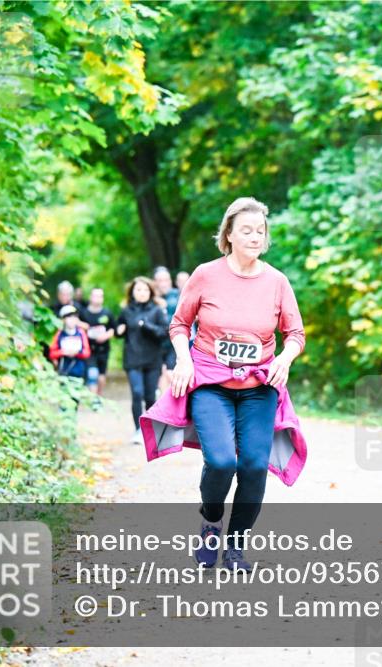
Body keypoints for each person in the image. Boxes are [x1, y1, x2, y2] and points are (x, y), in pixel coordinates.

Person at [166, 196, 305, 572]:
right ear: (228, 234)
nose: (255, 236)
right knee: (222, 460)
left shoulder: (276, 281)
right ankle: (211, 523)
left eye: (260, 231)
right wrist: (183, 359)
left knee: (255, 465)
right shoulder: (206, 275)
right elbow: (180, 324)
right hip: (211, 382)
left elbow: (295, 333)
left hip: (259, 387)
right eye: (246, 230)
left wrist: (284, 358)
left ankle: (236, 546)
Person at [116, 277, 168, 443]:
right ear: (132, 292)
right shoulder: (126, 311)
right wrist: (118, 331)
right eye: (138, 290)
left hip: (152, 360)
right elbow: (118, 330)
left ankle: (150, 430)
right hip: (132, 358)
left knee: (150, 396)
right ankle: (138, 430)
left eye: (145, 290)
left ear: (151, 292)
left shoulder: (157, 311)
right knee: (137, 393)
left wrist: (147, 326)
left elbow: (164, 332)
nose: (142, 293)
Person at [83, 287, 116, 395]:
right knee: (92, 374)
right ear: (91, 297)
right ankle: (94, 399)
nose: (97, 298)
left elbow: (113, 329)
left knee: (101, 377)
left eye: (100, 296)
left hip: (103, 350)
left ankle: (99, 395)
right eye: (95, 296)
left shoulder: (107, 313)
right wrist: (83, 326)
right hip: (89, 350)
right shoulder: (84, 313)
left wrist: (106, 336)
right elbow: (76, 324)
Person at [153, 266, 180, 394]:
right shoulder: (149, 298)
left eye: (166, 280)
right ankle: (163, 408)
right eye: (160, 280)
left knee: (170, 373)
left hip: (173, 342)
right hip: (155, 343)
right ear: (155, 282)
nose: (163, 283)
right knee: (159, 376)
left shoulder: (179, 295)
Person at [48, 305, 91, 380]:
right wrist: (63, 352)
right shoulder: (59, 334)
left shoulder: (81, 333)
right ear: (63, 320)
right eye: (69, 317)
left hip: (79, 371)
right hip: (63, 372)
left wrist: (77, 353)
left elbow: (87, 352)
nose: (72, 320)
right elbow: (52, 353)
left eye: (74, 317)